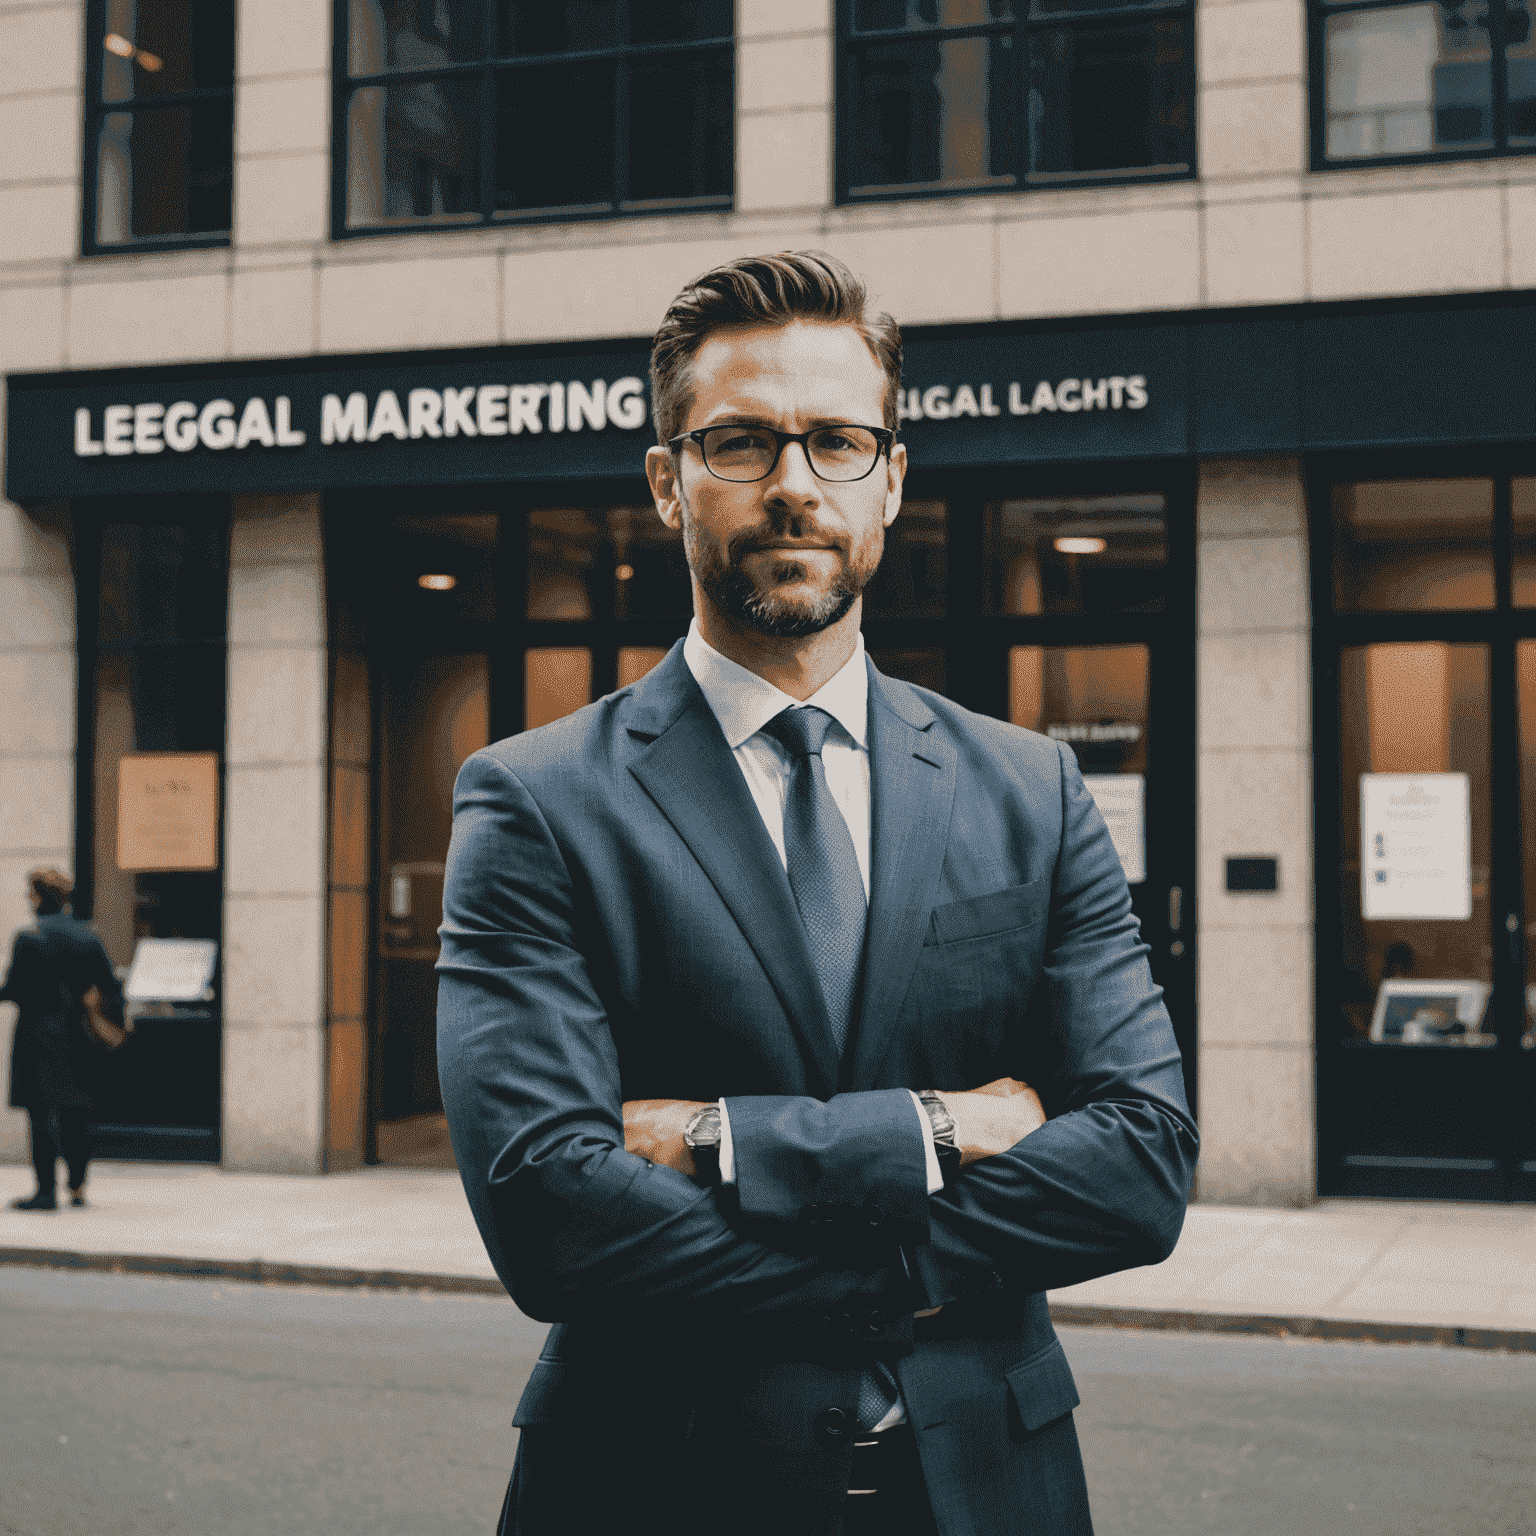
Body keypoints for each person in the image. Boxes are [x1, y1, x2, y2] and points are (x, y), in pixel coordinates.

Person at [437, 251, 1198, 1536]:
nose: (793, 485)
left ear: (892, 479)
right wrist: (953, 1132)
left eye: (837, 441)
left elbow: (1138, 1163)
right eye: (739, 443)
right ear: (666, 481)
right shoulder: (534, 801)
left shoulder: (1032, 788)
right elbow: (548, 1210)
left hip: (988, 1491)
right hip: (650, 1490)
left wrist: (724, 1144)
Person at [2, 867, 123, 1211]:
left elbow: (12, 989)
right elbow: (111, 987)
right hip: (79, 1034)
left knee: (41, 1114)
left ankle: (45, 1192)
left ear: (39, 896)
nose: (29, 900)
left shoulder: (28, 938)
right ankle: (77, 1185)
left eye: (30, 894)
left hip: (37, 1035)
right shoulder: (89, 937)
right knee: (77, 1112)